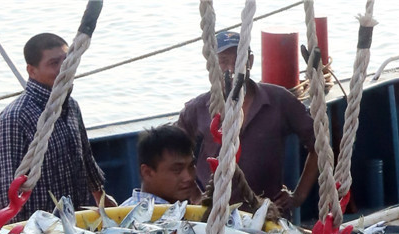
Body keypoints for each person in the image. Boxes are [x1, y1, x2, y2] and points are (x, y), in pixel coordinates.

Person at [177, 31, 319, 214]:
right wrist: (196, 195)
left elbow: (319, 146)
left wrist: (298, 196)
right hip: (213, 212)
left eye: (238, 60)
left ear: (250, 62)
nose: (231, 69)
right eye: (223, 61)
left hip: (268, 212)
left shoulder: (279, 100)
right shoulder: (198, 108)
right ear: (211, 65)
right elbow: (174, 153)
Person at [0, 33, 116, 221]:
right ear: (32, 71)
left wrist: (103, 200)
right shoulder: (15, 118)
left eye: (66, 61)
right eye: (54, 63)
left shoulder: (71, 105)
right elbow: (4, 190)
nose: (64, 69)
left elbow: (86, 160)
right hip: (38, 229)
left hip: (75, 222)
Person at [120, 125, 202, 206]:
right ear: (147, 172)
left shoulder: (122, 211)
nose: (189, 177)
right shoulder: (147, 217)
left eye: (191, 166)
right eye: (177, 169)